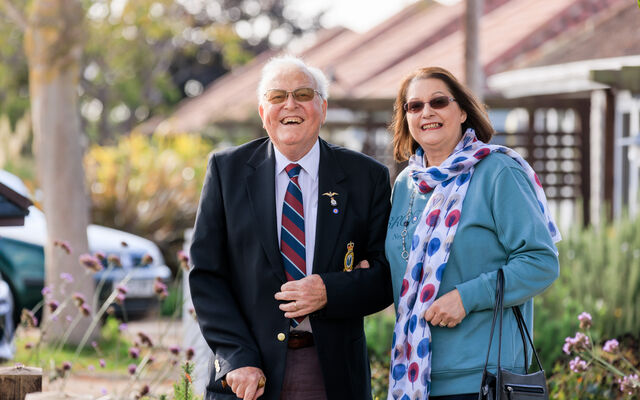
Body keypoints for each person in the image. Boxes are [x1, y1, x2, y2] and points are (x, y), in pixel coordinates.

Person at [189, 55, 393, 400]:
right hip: (249, 374)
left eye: (302, 94)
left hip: (332, 372)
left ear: (323, 109)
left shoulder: (366, 177)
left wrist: (330, 290)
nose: (290, 105)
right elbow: (207, 275)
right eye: (277, 96)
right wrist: (237, 357)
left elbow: (386, 276)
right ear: (262, 111)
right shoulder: (227, 172)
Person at [384, 67, 560, 399]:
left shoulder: (498, 172)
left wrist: (467, 297)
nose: (427, 112)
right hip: (414, 376)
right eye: (415, 106)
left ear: (463, 111)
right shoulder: (407, 184)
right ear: (405, 117)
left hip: (484, 377)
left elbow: (541, 262)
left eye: (438, 101)